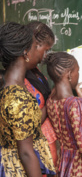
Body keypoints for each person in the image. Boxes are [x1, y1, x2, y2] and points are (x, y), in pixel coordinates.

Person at [0, 22, 56, 177]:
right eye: (34, 45)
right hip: (19, 168)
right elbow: (26, 153)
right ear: (25, 52)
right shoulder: (19, 99)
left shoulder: (4, 82)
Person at [24, 21, 58, 173]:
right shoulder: (18, 80)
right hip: (35, 151)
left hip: (46, 144)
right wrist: (50, 100)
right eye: (45, 50)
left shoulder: (35, 71)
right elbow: (31, 123)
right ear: (34, 45)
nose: (45, 56)